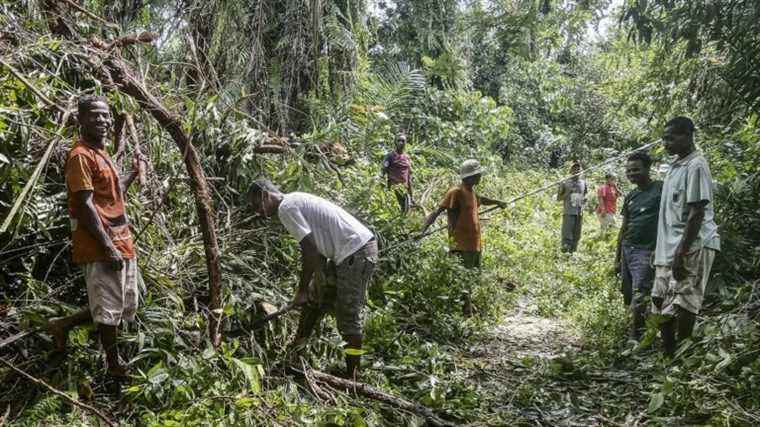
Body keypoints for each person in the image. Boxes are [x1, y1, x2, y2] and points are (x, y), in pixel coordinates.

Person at [47, 95, 144, 378]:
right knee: (108, 308)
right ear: (80, 120)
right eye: (94, 116)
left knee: (124, 304)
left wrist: (133, 174)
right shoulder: (80, 156)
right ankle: (114, 366)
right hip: (101, 243)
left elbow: (112, 194)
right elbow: (84, 205)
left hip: (122, 238)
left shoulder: (102, 154)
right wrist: (107, 247)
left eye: (105, 116)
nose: (102, 120)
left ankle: (62, 324)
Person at [247, 179, 377, 379]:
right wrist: (317, 280)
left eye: (258, 205)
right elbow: (318, 246)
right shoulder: (294, 200)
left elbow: (310, 249)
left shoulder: (286, 208)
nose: (259, 212)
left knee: (347, 316)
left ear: (266, 195)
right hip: (348, 252)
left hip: (355, 252)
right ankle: (294, 357)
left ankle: (353, 380)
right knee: (315, 302)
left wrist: (302, 290)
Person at [652, 116, 720, 356]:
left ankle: (682, 358)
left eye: (671, 138)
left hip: (694, 244)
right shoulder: (674, 167)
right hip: (669, 247)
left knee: (684, 301)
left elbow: (697, 213)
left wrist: (682, 251)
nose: (666, 143)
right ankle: (669, 355)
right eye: (664, 139)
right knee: (660, 300)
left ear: (688, 136)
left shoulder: (696, 165)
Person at [419, 159, 506, 316]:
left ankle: (467, 307)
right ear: (471, 176)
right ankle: (464, 311)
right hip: (460, 244)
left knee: (471, 277)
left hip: (474, 244)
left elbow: (482, 200)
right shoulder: (456, 192)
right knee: (463, 278)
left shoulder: (472, 192)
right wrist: (422, 230)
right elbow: (437, 211)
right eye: (478, 175)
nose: (480, 177)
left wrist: (498, 202)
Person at [615, 151, 663, 339]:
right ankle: (635, 333)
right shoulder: (631, 196)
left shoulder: (660, 189)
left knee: (640, 295)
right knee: (628, 294)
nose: (631, 174)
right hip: (628, 248)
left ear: (647, 169)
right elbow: (624, 227)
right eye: (628, 170)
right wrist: (617, 258)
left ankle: (637, 339)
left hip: (646, 250)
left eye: (636, 169)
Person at [557, 162, 587, 253]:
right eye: (574, 169)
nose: (576, 171)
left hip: (579, 212)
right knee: (567, 234)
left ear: (581, 171)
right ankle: (565, 252)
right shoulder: (565, 182)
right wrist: (567, 193)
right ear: (570, 171)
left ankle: (573, 253)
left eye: (578, 169)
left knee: (577, 234)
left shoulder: (583, 182)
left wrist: (585, 199)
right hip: (569, 212)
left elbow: (585, 194)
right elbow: (558, 198)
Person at [381, 133, 414, 214]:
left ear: (405, 143)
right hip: (393, 191)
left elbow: (409, 177)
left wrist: (411, 196)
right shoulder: (390, 156)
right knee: (391, 212)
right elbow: (382, 172)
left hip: (404, 192)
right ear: (395, 142)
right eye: (398, 141)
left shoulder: (407, 158)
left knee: (404, 214)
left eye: (403, 141)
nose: (400, 143)